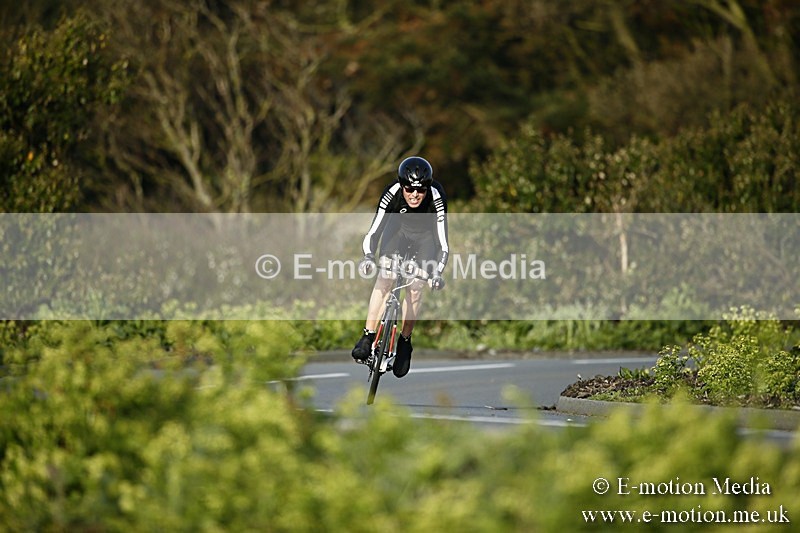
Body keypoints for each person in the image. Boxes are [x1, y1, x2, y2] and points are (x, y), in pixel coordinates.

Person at [351, 156, 449, 377]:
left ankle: (404, 341)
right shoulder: (392, 191)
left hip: (425, 239)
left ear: (427, 188)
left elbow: (443, 243)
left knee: (415, 288)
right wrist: (368, 257)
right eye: (409, 189)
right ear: (402, 186)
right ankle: (368, 335)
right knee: (386, 277)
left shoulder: (436, 196)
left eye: (420, 190)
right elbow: (374, 231)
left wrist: (437, 273)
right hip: (397, 233)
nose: (414, 195)